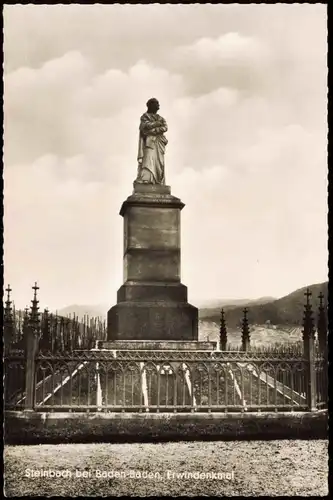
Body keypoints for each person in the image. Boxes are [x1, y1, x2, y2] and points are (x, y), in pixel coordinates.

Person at [136, 98, 168, 184]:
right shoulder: (145, 117)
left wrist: (153, 130)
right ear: (151, 105)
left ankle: (157, 180)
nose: (159, 106)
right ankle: (146, 179)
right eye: (157, 104)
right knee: (148, 160)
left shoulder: (161, 118)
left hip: (159, 143)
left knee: (159, 163)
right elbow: (144, 127)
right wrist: (157, 124)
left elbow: (165, 128)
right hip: (149, 143)